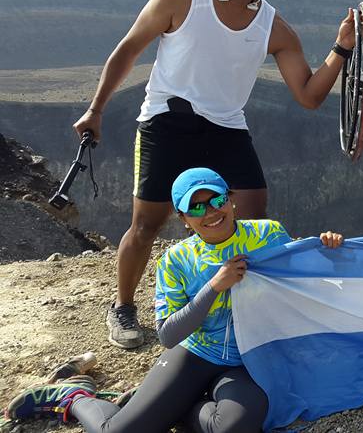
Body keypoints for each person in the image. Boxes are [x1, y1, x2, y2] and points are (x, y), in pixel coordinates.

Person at [71, 0, 356, 349]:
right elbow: (129, 49)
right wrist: (96, 109)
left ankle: (250, 304)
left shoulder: (274, 28)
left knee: (254, 218)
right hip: (167, 119)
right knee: (147, 223)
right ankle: (124, 307)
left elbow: (309, 95)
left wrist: (341, 48)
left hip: (225, 125)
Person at [5, 167, 344, 432]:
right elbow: (167, 335)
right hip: (196, 354)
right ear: (183, 219)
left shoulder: (268, 234)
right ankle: (73, 396)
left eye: (216, 200)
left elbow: (303, 281)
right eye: (196, 206)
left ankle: (177, 404)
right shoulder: (177, 260)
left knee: (237, 426)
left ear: (232, 200)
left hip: (250, 358)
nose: (210, 211)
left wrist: (329, 250)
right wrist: (213, 287)